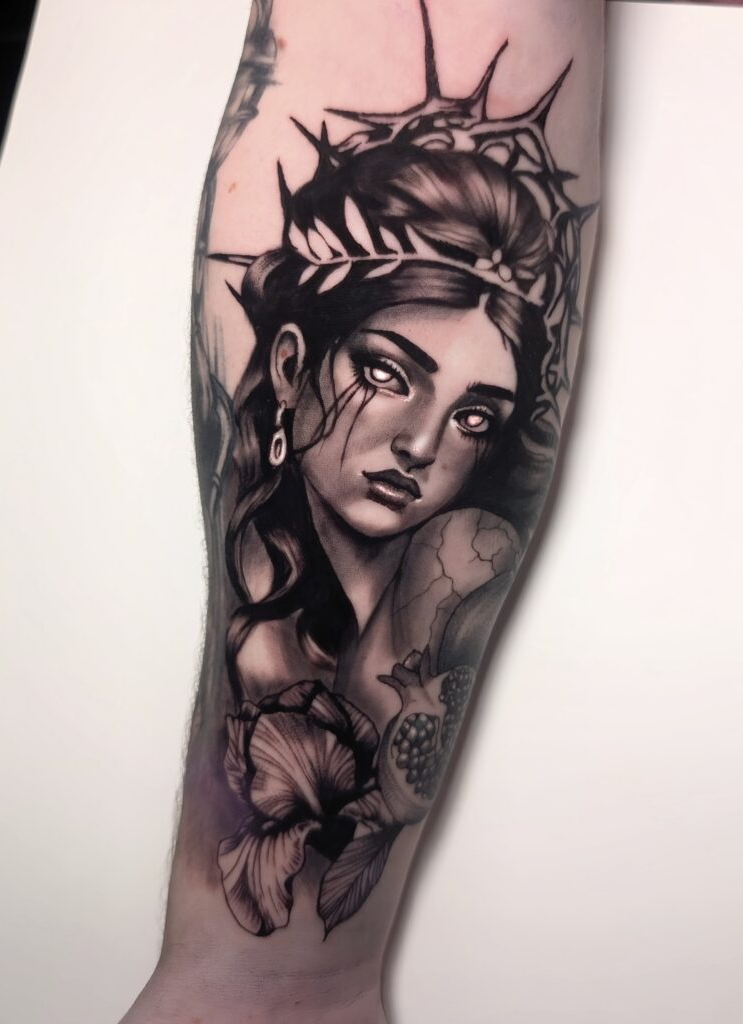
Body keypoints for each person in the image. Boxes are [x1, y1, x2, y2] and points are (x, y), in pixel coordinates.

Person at [121, 0, 603, 1020]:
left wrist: (286, 981)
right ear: (292, 362)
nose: (423, 441)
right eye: (389, 372)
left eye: (474, 413)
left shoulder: (442, 586)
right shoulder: (273, 624)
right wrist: (270, 980)